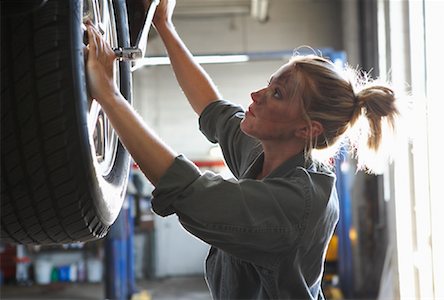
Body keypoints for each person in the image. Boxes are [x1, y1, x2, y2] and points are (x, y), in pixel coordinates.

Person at [85, 0, 398, 298]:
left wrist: (111, 97)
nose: (256, 94)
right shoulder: (272, 153)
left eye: (276, 93)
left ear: (306, 128)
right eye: (269, 83)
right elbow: (213, 109)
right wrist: (164, 25)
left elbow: (186, 189)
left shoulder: (296, 204)